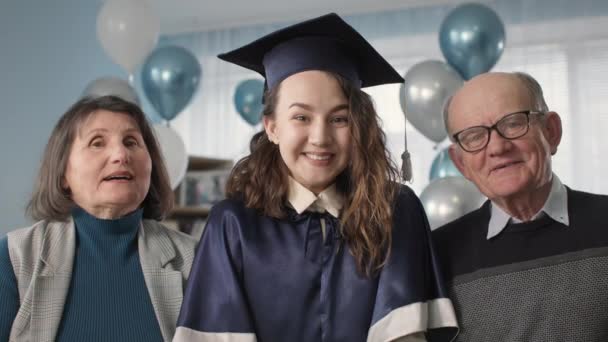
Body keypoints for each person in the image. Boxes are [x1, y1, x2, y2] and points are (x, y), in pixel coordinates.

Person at [175, 13, 458, 342]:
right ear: (272, 127)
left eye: (339, 118)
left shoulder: (394, 210)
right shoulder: (233, 224)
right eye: (301, 117)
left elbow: (404, 336)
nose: (320, 137)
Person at [0, 95, 197, 341]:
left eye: (131, 142)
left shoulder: (195, 260)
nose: (120, 155)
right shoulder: (15, 257)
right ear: (63, 173)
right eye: (97, 142)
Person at [433, 71, 608, 341]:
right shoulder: (437, 256)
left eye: (513, 124)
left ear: (551, 132)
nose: (498, 147)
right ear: (460, 163)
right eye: (474, 136)